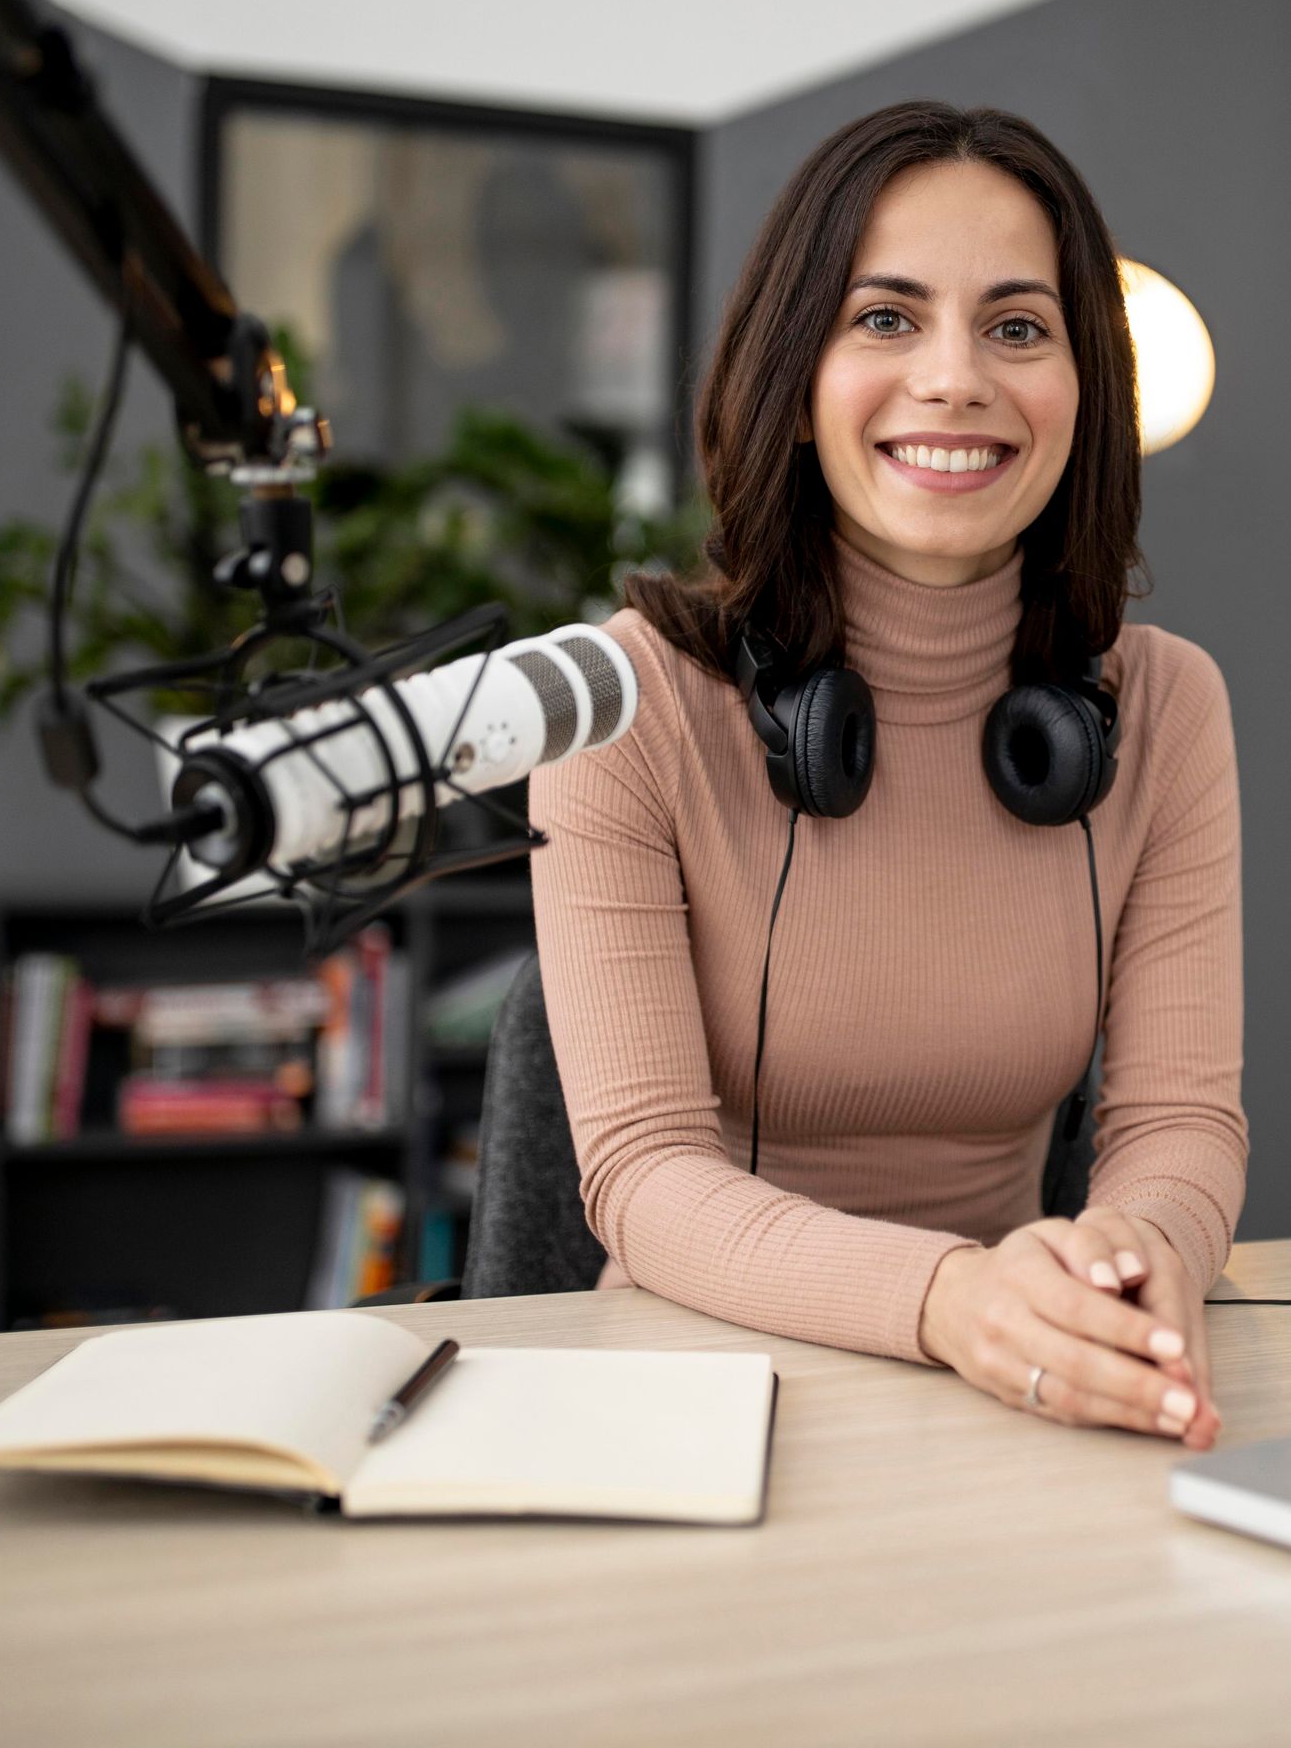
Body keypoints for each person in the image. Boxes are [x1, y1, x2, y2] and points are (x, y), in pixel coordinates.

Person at [529, 100, 1244, 1449]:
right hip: (706, 1397)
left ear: (1085, 394)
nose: (957, 379)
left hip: (1025, 1385)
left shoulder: (1164, 708)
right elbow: (641, 1176)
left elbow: (1181, 1121)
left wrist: (1132, 1267)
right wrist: (949, 1301)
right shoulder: (631, 704)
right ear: (795, 379)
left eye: (1019, 327)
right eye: (887, 318)